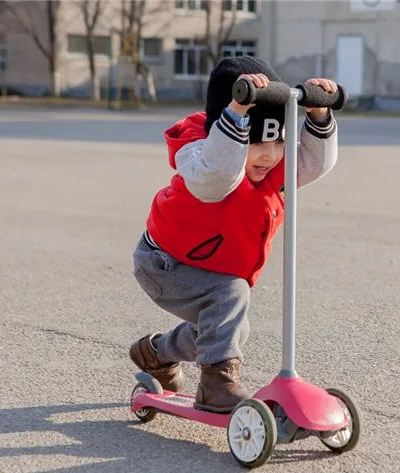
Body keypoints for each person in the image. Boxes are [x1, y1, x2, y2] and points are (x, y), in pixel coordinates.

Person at [129, 56, 339, 413]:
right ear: (230, 129)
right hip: (165, 262)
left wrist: (317, 113)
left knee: (225, 325)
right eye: (256, 143)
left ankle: (156, 353)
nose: (269, 156)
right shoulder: (203, 157)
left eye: (278, 143)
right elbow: (218, 176)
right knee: (229, 298)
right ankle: (215, 385)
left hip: (211, 263)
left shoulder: (274, 166)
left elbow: (314, 163)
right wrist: (238, 110)